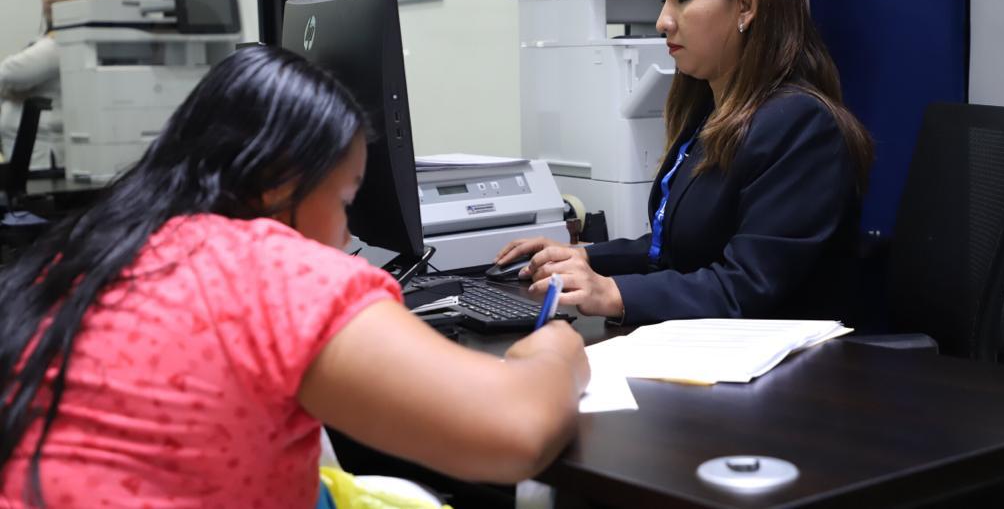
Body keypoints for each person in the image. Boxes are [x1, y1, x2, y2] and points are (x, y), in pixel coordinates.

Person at [0, 46, 588, 507]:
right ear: (282, 184)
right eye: (345, 200)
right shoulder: (270, 270)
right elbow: (514, 431)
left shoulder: (88, 251)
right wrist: (556, 351)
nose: (344, 237)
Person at [496, 0, 874, 326]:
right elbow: (675, 250)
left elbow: (745, 287)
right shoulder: (713, 113)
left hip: (790, 372)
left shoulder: (801, 124)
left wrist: (612, 292)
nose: (663, 21)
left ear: (746, 4)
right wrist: (586, 255)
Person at [0, 0, 97, 170]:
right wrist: (7, 91)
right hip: (27, 157)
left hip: (44, 158)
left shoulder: (66, 40)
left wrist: (8, 88)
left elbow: (8, 73)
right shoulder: (48, 40)